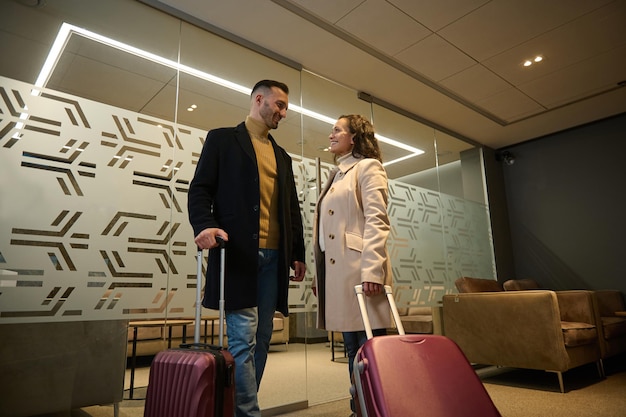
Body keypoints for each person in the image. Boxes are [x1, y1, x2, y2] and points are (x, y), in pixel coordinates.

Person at [188, 79, 307, 417]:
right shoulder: (223, 139)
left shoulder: (282, 156)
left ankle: (240, 409)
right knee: (244, 340)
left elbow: (291, 209)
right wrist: (203, 225)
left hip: (274, 259)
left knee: (264, 337)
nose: (283, 113)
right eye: (280, 105)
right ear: (259, 99)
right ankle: (249, 413)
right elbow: (200, 189)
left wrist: (296, 252)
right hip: (237, 255)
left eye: (286, 107)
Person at [313, 114, 392, 416]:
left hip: (360, 270)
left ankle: (377, 407)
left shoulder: (368, 167)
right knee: (352, 349)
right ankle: (359, 407)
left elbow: (377, 220)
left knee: (370, 348)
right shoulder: (337, 174)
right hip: (340, 274)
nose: (331, 135)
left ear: (354, 138)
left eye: (337, 130)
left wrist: (373, 270)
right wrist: (321, 276)